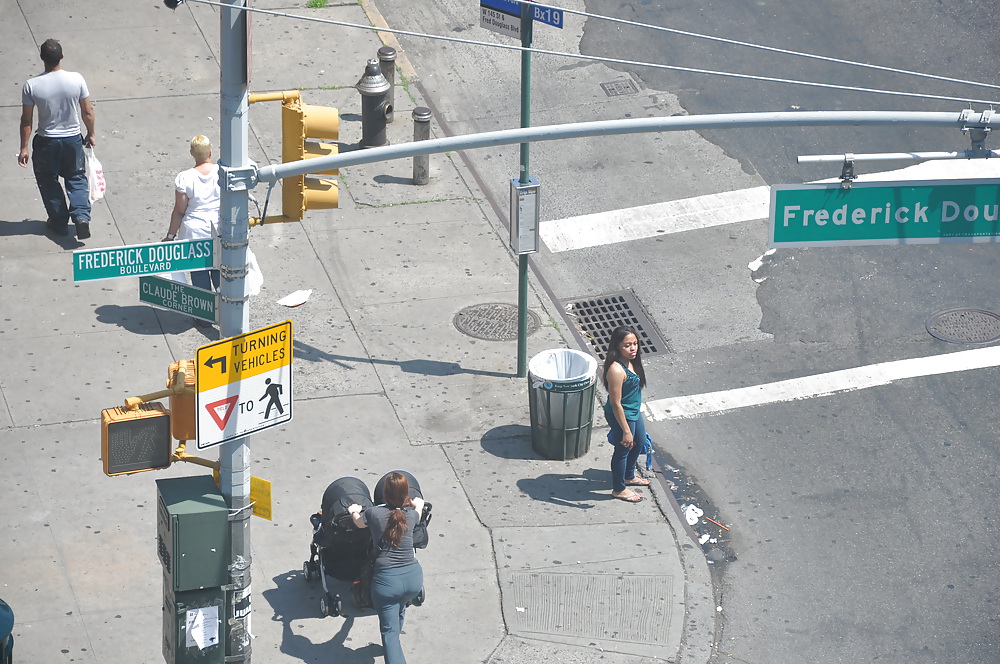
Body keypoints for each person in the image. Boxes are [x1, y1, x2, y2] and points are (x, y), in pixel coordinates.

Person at [18, 38, 96, 240]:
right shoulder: (76, 79)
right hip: (72, 140)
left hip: (46, 142)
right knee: (76, 178)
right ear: (62, 56)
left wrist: (24, 147)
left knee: (48, 181)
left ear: (42, 58)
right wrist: (91, 133)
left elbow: (27, 120)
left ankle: (59, 222)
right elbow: (87, 111)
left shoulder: (31, 85)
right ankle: (81, 217)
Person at [348, 473, 425, 664]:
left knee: (388, 633)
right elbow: (419, 513)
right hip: (413, 579)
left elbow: (358, 523)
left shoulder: (374, 513)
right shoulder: (411, 514)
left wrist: (354, 510)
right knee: (400, 607)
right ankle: (395, 643)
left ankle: (394, 649)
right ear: (406, 494)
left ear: (384, 493)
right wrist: (419, 505)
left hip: (387, 582)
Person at [163, 135, 220, 292]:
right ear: (210, 152)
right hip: (219, 230)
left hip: (194, 234)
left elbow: (179, 211)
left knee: (199, 274)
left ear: (191, 153)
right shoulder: (222, 172)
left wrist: (170, 236)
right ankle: (226, 309)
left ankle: (204, 313)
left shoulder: (185, 177)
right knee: (220, 270)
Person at [603, 325, 651, 503]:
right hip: (621, 414)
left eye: (635, 344)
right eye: (627, 345)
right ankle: (619, 489)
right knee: (624, 448)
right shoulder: (616, 370)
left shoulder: (633, 361)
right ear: (617, 347)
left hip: (633, 411)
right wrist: (626, 430)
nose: (633, 349)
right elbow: (616, 404)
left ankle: (629, 476)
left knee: (640, 442)